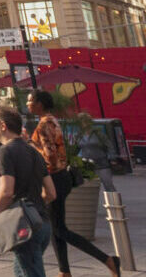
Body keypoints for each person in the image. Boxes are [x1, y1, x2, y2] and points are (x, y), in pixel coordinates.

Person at [28, 90, 118, 277]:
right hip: (62, 177)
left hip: (53, 178)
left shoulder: (45, 125)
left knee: (60, 229)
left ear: (40, 104)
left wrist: (32, 151)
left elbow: (50, 156)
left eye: (30, 101)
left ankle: (108, 260)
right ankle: (64, 271)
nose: (28, 104)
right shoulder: (52, 121)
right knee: (56, 227)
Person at [0, 107, 54, 277]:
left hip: (24, 226)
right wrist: (34, 204)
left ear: (3, 125)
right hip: (42, 224)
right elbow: (51, 192)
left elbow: (6, 191)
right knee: (21, 271)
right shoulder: (34, 152)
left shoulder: (4, 152)